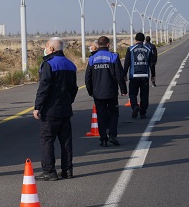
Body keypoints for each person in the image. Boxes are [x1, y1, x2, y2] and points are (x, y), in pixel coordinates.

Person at [33, 37, 78, 181]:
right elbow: (74, 88)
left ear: (51, 48)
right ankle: (67, 170)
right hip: (65, 109)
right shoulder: (71, 65)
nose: (45, 49)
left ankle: (49, 171)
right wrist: (68, 101)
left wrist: (37, 106)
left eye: (46, 46)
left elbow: (44, 87)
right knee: (66, 141)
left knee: (47, 140)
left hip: (50, 111)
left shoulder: (49, 64)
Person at [85, 36, 127, 147]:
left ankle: (103, 138)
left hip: (97, 93)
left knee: (101, 115)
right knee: (114, 113)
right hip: (111, 91)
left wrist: (90, 91)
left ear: (98, 45)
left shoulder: (92, 59)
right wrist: (123, 89)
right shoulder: (113, 57)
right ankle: (112, 135)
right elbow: (119, 75)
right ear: (108, 44)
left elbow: (87, 78)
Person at [123, 32, 152, 119]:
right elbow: (151, 64)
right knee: (144, 95)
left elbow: (127, 63)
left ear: (135, 40)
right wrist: (153, 75)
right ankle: (143, 113)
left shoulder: (131, 49)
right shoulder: (148, 49)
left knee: (132, 93)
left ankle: (135, 106)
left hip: (134, 75)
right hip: (145, 75)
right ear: (143, 40)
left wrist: (124, 74)